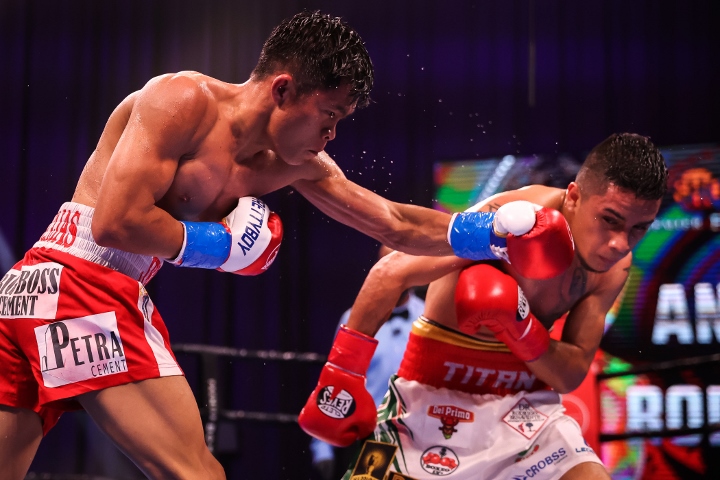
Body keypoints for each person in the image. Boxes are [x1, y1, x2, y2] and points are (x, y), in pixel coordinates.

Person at [0, 10, 520, 480]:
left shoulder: (293, 164)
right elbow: (114, 223)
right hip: (80, 282)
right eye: (329, 114)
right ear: (283, 89)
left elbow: (394, 224)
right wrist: (217, 247)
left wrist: (491, 236)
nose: (332, 135)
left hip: (36, 291)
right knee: (196, 474)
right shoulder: (182, 100)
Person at [299, 133, 669, 480]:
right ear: (574, 195)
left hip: (525, 414)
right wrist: (342, 375)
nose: (621, 243)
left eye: (639, 229)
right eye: (610, 220)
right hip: (427, 402)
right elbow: (392, 271)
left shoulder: (613, 268)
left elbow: (570, 373)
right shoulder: (516, 217)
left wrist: (521, 326)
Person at [310, 245, 426, 480]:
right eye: (388, 264)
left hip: (421, 436)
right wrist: (322, 447)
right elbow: (334, 383)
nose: (396, 272)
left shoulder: (430, 316)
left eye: (401, 263)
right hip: (374, 435)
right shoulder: (355, 318)